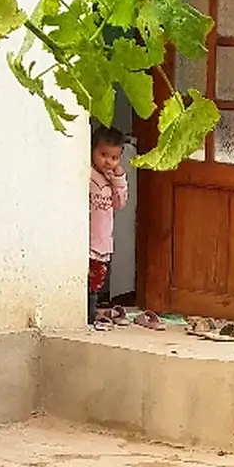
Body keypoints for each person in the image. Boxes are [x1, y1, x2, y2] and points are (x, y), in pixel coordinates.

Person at [88, 125, 128, 327]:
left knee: (97, 281)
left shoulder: (114, 180)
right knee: (84, 279)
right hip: (86, 239)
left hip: (103, 240)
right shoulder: (88, 175)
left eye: (114, 158)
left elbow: (120, 204)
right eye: (103, 154)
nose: (108, 162)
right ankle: (86, 314)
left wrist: (118, 182)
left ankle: (92, 310)